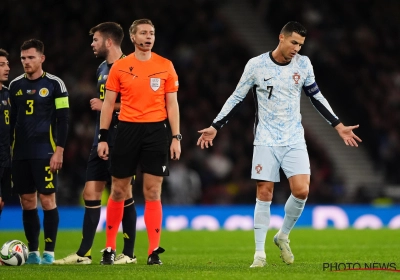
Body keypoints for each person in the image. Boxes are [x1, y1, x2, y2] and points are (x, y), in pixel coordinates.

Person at [197, 21, 362, 268]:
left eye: (301, 44)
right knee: (264, 193)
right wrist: (215, 126)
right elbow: (237, 96)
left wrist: (338, 125)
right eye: (294, 42)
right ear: (281, 37)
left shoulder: (304, 64)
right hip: (266, 139)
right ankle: (259, 254)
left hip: (294, 137)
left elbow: (316, 96)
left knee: (302, 191)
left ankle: (282, 235)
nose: (297, 48)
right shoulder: (256, 65)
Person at [97, 18, 181, 265]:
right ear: (133, 37)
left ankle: (154, 251)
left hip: (156, 132)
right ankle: (110, 248)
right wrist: (103, 136)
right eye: (143, 33)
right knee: (119, 190)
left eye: (152, 33)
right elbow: (109, 104)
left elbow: (172, 104)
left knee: (153, 191)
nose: (148, 37)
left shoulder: (165, 65)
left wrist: (176, 137)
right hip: (126, 130)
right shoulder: (120, 67)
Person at [54, 22, 137, 265]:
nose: (92, 44)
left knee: (123, 191)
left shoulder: (131, 66)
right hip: (100, 138)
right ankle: (84, 254)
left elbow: (140, 105)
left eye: (96, 40)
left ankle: (129, 253)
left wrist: (108, 107)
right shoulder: (101, 68)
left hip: (124, 137)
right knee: (90, 192)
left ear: (109, 41)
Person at [9, 39, 69, 265]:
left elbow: (63, 120)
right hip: (21, 153)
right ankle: (33, 252)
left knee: (47, 200)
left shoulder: (55, 84)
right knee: (27, 201)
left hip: (46, 150)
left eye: (31, 57)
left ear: (42, 58)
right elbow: (10, 122)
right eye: (23, 58)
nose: (26, 62)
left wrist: (59, 151)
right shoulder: (15, 86)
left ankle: (49, 252)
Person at [0, 49, 11, 219]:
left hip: (5, 157)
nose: (7, 68)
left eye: (7, 64)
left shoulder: (9, 94)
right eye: (2, 65)